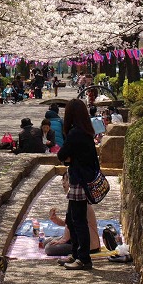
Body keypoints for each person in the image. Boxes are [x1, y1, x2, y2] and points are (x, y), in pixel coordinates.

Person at [56, 98, 100, 270]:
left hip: (79, 181)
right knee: (71, 218)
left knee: (79, 220)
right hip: (82, 179)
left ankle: (84, 258)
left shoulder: (75, 133)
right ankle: (75, 254)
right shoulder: (86, 131)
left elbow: (62, 155)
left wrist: (69, 158)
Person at [45, 174, 101, 256]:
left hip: (89, 246)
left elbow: (70, 226)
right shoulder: (75, 200)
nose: (63, 183)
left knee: (49, 248)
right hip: (76, 240)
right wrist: (55, 219)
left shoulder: (79, 202)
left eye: (66, 180)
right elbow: (68, 223)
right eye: (63, 180)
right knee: (46, 241)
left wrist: (63, 239)